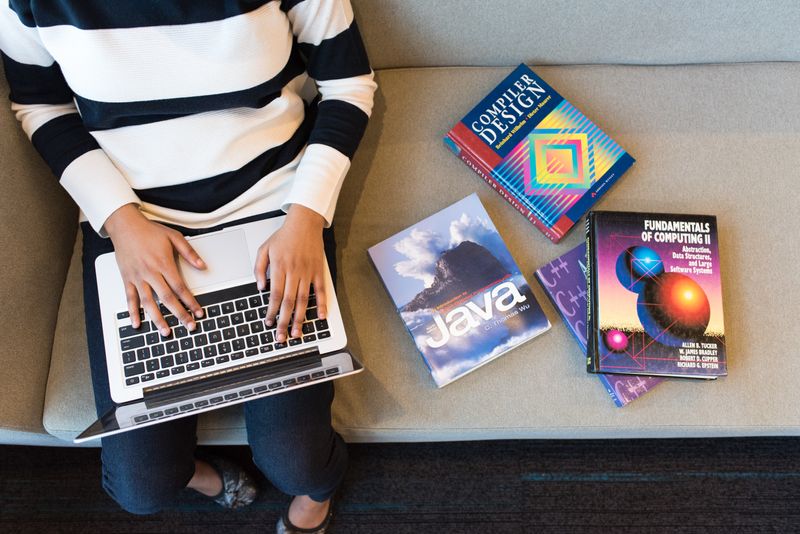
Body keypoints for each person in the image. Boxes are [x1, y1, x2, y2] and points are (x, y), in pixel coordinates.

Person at [1, 0, 376, 531]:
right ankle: (204, 476)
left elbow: (348, 84)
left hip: (275, 209)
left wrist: (308, 217)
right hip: (133, 222)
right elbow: (40, 105)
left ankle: (318, 494)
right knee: (141, 487)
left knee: (298, 461)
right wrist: (121, 222)